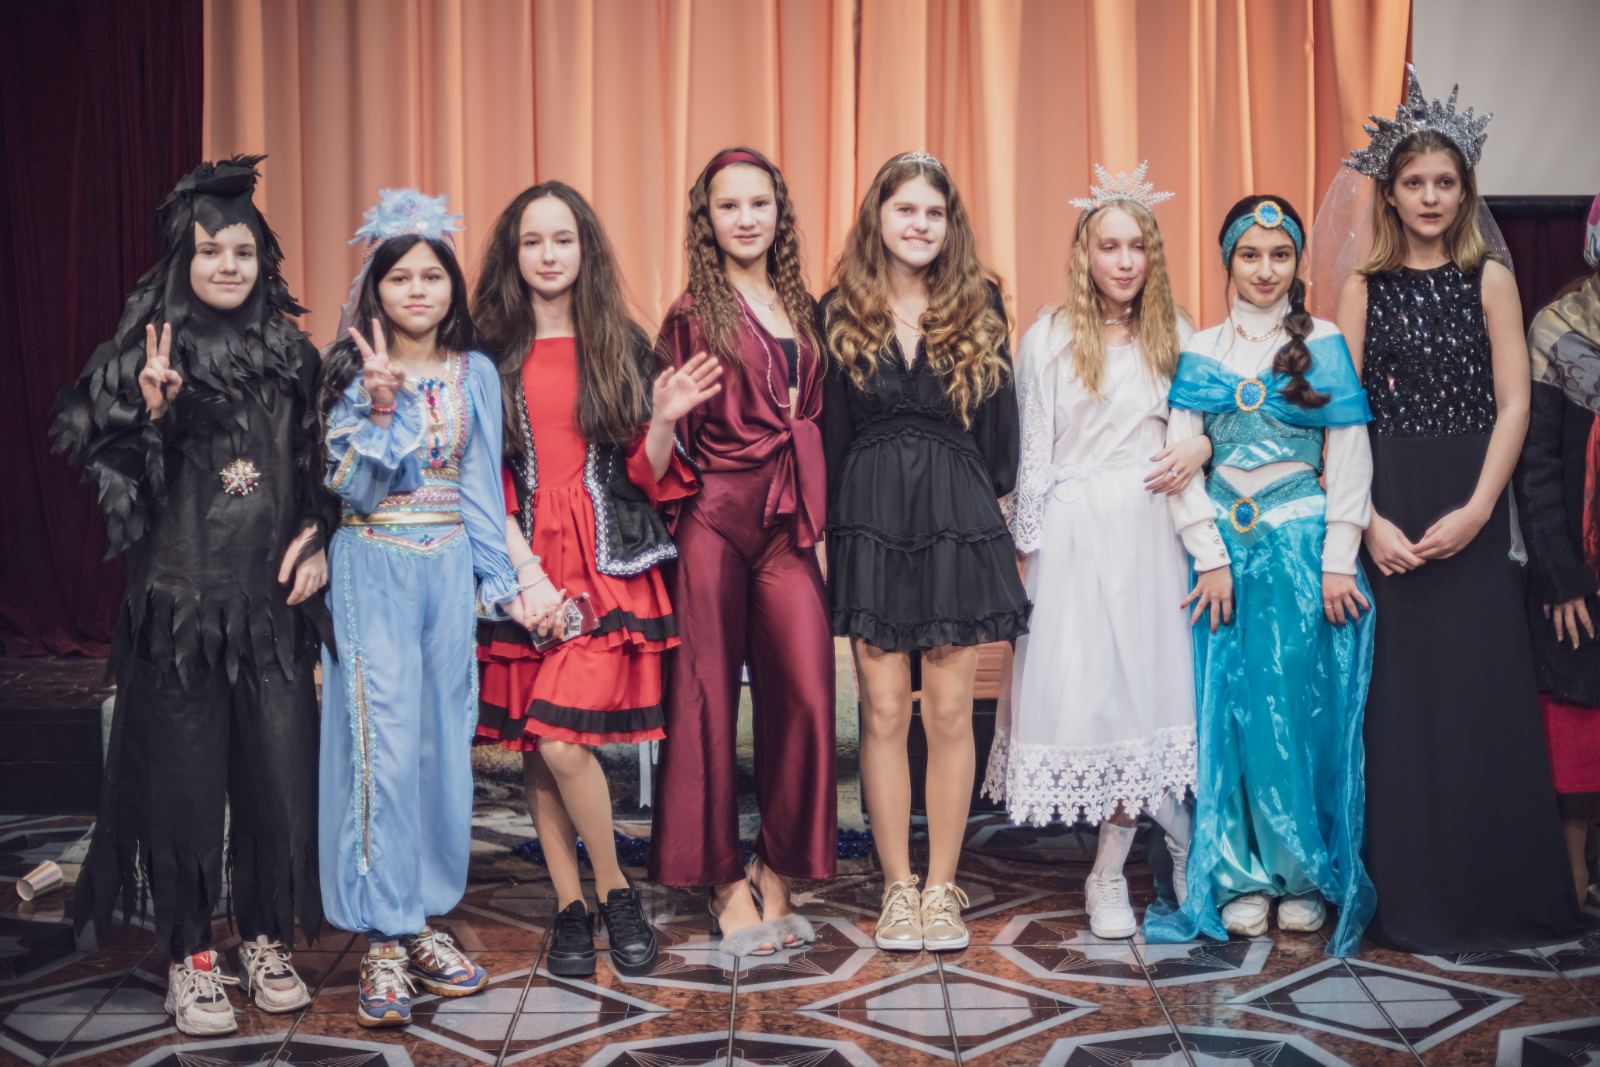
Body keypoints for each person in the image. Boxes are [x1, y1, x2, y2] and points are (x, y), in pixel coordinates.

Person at [53, 156, 328, 1036]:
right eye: (211, 251)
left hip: (271, 613)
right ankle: (190, 953)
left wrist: (321, 535)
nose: (228, 266)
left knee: (276, 779)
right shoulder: (141, 359)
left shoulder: (295, 358)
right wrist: (153, 414)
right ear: (184, 257)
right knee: (184, 784)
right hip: (178, 611)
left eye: (242, 251)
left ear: (262, 260)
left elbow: (324, 474)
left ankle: (263, 937)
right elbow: (116, 496)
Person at [1332, 67, 1582, 952]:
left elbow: (1515, 406)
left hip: (1471, 500)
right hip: (1389, 498)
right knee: (1399, 703)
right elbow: (1343, 413)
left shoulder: (1490, 278)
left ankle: (1491, 893)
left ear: (1464, 190)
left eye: (1444, 182)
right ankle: (1406, 894)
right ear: (1391, 194)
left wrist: (1481, 511)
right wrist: (1366, 521)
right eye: (1415, 182)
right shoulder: (1363, 286)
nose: (1431, 196)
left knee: (1479, 694)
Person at [472, 181, 712, 976]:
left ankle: (615, 890)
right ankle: (570, 905)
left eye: (563, 239)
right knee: (538, 748)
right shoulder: (487, 356)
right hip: (523, 563)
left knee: (559, 737)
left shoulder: (621, 343)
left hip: (605, 568)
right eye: (533, 241)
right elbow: (483, 479)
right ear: (513, 254)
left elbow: (647, 474)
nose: (549, 255)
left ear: (585, 250)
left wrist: (666, 420)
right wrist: (519, 575)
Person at [318, 189, 530, 1026]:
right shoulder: (347, 371)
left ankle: (420, 917)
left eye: (431, 276)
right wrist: (380, 405)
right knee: (383, 746)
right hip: (372, 562)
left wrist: (505, 586)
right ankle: (382, 933)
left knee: (443, 743)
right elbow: (353, 488)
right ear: (376, 288)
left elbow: (480, 491)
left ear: (452, 286)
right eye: (399, 276)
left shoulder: (476, 373)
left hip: (445, 573)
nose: (416, 290)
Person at [1147, 195, 1377, 958]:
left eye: (1280, 256)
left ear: (1296, 263)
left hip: (1299, 547)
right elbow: (1181, 460)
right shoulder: (1201, 349)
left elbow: (1349, 453)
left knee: (1294, 709)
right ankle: (1240, 873)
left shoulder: (1325, 342)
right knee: (1230, 709)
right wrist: (1209, 554)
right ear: (1229, 260)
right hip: (1224, 554)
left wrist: (1339, 556)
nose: (1266, 269)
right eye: (1251, 254)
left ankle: (1300, 873)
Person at [983, 164, 1207, 940]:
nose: (1123, 260)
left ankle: (1117, 865)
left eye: (1136, 246)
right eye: (1108, 245)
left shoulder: (1178, 334)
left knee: (1148, 698)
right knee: (1095, 699)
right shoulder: (1048, 338)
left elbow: (1205, 429)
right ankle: (1173, 838)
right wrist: (1024, 549)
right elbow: (1033, 453)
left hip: (1152, 533)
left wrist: (1205, 444)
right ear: (1084, 253)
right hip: (1074, 538)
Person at [822, 150, 1028, 952]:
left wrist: (991, 511)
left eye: (933, 212)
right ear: (878, 217)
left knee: (946, 711)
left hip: (954, 516)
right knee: (881, 710)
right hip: (870, 519)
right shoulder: (838, 310)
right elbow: (832, 436)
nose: (919, 224)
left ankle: (942, 887)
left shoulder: (981, 303)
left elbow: (1001, 433)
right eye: (904, 209)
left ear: (951, 225)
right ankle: (896, 888)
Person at [650, 147, 835, 956]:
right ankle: (722, 879)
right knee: (705, 700)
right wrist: (663, 422)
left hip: (786, 520)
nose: (747, 218)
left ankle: (777, 868)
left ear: (779, 213)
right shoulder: (693, 313)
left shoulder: (803, 305)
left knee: (808, 692)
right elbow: (665, 445)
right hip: (716, 518)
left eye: (760, 203)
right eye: (729, 206)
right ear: (708, 220)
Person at [1510, 193, 1600, 910]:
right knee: (1576, 716)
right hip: (1578, 567)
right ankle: (1573, 868)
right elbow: (1535, 467)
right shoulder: (1557, 331)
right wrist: (1561, 574)